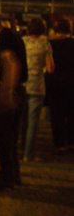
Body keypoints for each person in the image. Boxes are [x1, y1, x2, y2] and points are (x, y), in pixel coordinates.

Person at [0, 10, 28, 190]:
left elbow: (13, 63)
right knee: (11, 137)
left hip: (11, 90)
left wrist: (8, 92)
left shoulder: (5, 37)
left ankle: (6, 178)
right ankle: (14, 176)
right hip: (18, 89)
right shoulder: (12, 35)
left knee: (4, 138)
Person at [20, 17, 54, 162]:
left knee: (23, 120)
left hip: (22, 84)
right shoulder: (44, 44)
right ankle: (29, 154)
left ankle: (22, 148)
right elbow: (50, 68)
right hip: (37, 86)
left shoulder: (22, 42)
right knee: (33, 122)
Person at [47, 19, 74, 153]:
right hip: (72, 82)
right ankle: (72, 142)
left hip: (55, 82)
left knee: (57, 114)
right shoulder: (72, 43)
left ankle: (59, 144)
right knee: (72, 113)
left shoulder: (50, 44)